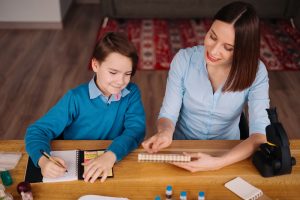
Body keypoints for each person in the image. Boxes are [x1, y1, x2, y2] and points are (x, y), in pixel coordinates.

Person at [142, 1, 270, 172]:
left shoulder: (257, 72)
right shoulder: (184, 60)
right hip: (181, 148)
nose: (214, 51)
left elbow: (259, 136)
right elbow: (168, 114)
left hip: (228, 153)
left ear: (243, 49)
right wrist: (165, 132)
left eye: (228, 47)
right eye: (212, 37)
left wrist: (217, 163)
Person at [25, 32, 145, 182]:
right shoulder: (75, 98)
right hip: (75, 166)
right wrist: (43, 161)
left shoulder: (131, 93)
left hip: (114, 159)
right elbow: (37, 131)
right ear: (95, 65)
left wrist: (111, 155)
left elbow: (136, 130)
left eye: (127, 73)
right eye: (113, 72)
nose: (121, 81)